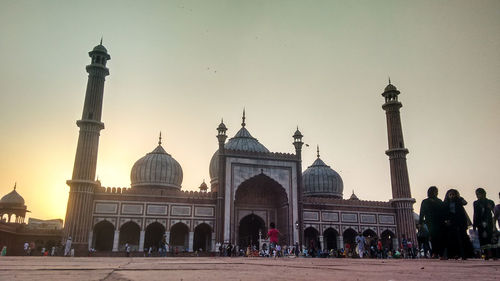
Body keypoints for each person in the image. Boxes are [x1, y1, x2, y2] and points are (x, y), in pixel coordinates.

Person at [442, 189, 469, 260]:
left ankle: (463, 254)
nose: (451, 196)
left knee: (461, 237)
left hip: (460, 221)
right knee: (452, 238)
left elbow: (465, 203)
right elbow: (444, 213)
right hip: (451, 222)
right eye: (450, 195)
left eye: (453, 194)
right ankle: (454, 254)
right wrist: (446, 220)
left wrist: (460, 198)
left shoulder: (459, 201)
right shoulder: (446, 203)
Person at [419, 186, 445, 258]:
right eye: (435, 192)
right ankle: (434, 253)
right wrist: (420, 222)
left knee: (440, 237)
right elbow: (422, 212)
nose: (436, 193)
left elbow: (443, 211)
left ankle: (441, 253)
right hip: (430, 222)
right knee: (433, 238)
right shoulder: (425, 201)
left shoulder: (439, 201)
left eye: (437, 192)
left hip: (439, 222)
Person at [473, 188, 495, 260]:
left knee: (489, 237)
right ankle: (485, 254)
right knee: (482, 238)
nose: (478, 196)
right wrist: (474, 224)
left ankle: (492, 253)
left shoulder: (490, 202)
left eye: (479, 194)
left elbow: (494, 212)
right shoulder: (476, 203)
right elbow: (475, 214)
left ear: (484, 194)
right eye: (477, 194)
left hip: (488, 222)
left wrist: (491, 208)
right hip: (480, 222)